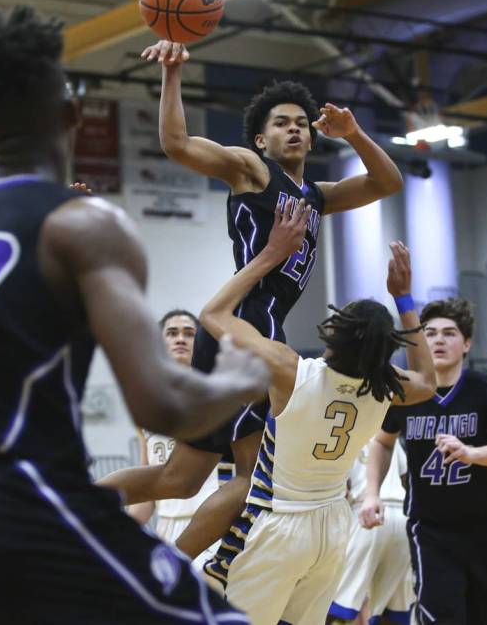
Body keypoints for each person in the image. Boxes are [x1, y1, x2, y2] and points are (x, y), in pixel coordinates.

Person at [0, 7, 271, 625]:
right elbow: (164, 406)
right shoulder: (83, 224)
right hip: (18, 514)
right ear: (71, 117)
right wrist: (242, 376)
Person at [99, 39, 404, 559]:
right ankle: (167, 571)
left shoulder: (317, 196)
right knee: (250, 474)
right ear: (261, 140)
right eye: (282, 122)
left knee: (179, 479)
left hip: (249, 331)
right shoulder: (252, 170)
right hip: (242, 330)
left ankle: (65, 507)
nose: (295, 128)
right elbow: (176, 144)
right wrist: (173, 75)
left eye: (302, 122)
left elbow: (387, 181)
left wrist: (353, 133)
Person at [194, 199, 435, 625]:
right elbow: (429, 380)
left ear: (336, 332)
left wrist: (270, 254)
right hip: (332, 527)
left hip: (277, 523)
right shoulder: (386, 390)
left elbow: (213, 314)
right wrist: (405, 299)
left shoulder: (290, 370)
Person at [361, 298, 487, 625]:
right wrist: (372, 493)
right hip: (431, 531)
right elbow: (382, 442)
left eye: (449, 333)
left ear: (466, 343)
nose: (438, 340)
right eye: (431, 333)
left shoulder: (485, 388)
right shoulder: (407, 393)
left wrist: (472, 453)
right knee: (443, 617)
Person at [128, 309, 221, 569]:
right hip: (167, 524)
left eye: (189, 333)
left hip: (211, 520)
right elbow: (149, 486)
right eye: (172, 333)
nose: (180, 339)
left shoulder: (217, 392)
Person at [328, 440, 414, 625]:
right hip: (402, 516)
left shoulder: (344, 434)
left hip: (365, 512)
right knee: (391, 610)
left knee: (332, 604)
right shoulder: (387, 436)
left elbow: (340, 490)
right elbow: (407, 477)